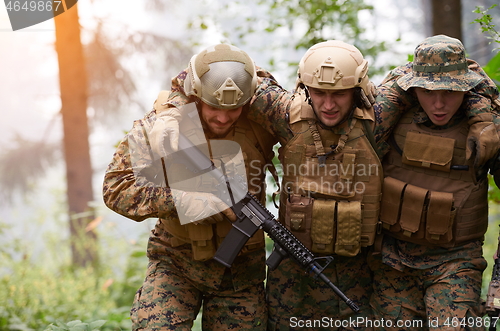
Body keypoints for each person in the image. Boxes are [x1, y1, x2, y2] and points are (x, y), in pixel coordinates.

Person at [161, 40, 382, 330]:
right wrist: (177, 104)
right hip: (290, 281)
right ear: (304, 88)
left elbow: (422, 91)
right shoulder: (285, 113)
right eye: (319, 93)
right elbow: (234, 76)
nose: (329, 104)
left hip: (355, 272)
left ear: (358, 90)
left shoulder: (378, 118)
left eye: (340, 94)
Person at [102, 43, 279, 331]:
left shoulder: (263, 120)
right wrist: (188, 201)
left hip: (241, 274)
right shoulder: (163, 124)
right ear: (196, 96)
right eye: (214, 107)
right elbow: (116, 188)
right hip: (176, 262)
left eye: (233, 109)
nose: (223, 117)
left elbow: (310, 113)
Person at [369, 34, 500, 330]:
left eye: (450, 92)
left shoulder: (487, 129)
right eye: (429, 92)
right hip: (393, 261)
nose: (439, 104)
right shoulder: (391, 116)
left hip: (455, 263)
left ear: (465, 87)